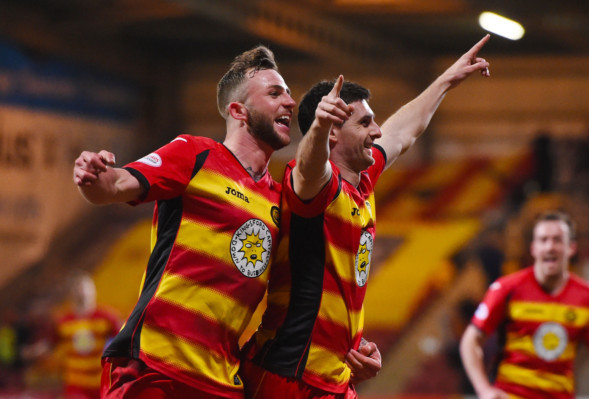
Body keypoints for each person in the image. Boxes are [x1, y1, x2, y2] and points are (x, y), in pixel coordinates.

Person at [73, 45, 379, 399]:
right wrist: (95, 176)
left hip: (223, 382)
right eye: (275, 93)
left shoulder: (281, 198)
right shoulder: (195, 153)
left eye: (290, 95)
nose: (290, 103)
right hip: (155, 367)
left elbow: (303, 291)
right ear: (239, 111)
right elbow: (115, 185)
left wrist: (355, 347)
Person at [241, 35, 491, 398]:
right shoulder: (315, 187)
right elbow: (311, 167)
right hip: (287, 377)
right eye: (365, 124)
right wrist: (317, 130)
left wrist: (446, 80)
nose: (376, 132)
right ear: (333, 133)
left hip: (336, 379)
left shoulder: (363, 181)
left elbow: (404, 131)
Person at [459, 211, 589, 399]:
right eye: (544, 240)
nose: (550, 247)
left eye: (558, 240)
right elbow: (470, 341)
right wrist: (484, 390)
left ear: (571, 248)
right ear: (533, 248)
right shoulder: (506, 289)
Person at [54, 271, 121, 399]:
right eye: (79, 289)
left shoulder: (107, 317)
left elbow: (124, 341)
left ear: (94, 291)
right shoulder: (63, 321)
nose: (83, 293)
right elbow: (53, 344)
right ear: (72, 294)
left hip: (100, 381)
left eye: (87, 289)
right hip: (75, 384)